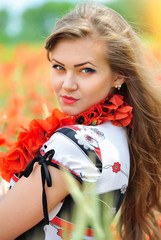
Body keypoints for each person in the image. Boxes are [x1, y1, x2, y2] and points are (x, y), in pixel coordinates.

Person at [0, 2, 161, 240]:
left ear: (119, 75)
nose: (67, 84)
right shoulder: (120, 135)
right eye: (59, 67)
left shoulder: (73, 145)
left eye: (86, 70)